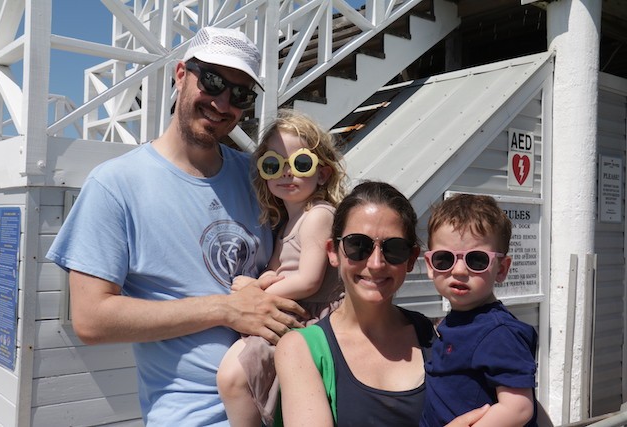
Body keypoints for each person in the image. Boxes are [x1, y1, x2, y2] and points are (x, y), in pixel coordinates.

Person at [46, 26, 308, 426]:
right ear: (181, 74)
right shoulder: (115, 184)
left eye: (241, 95)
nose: (223, 103)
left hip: (290, 404)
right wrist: (225, 309)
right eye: (213, 82)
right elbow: (91, 319)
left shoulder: (260, 178)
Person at [275, 181, 490, 427]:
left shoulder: (433, 336)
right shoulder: (300, 349)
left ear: (411, 259)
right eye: (358, 245)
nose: (376, 263)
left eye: (394, 249)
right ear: (333, 252)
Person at [216, 109, 347, 426]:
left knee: (233, 374)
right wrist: (259, 281)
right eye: (273, 165)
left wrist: (257, 291)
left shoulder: (318, 215)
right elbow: (275, 270)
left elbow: (308, 281)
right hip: (292, 310)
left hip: (309, 317)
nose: (287, 173)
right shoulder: (287, 222)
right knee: (234, 375)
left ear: (322, 174)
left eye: (301, 164)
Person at [421, 193, 538, 427]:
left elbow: (518, 408)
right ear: (430, 266)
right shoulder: (456, 322)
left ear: (501, 269)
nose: (459, 270)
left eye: (477, 260)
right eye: (444, 259)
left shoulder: (499, 333)